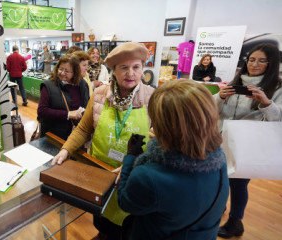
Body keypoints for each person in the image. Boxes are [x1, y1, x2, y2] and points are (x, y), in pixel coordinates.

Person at [52, 42, 154, 239]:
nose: (130, 73)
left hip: (133, 176)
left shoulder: (152, 98)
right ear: (113, 71)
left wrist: (134, 165)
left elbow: (160, 143)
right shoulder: (99, 95)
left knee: (128, 226)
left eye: (136, 67)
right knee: (101, 218)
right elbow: (83, 128)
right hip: (99, 171)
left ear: (143, 68)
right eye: (123, 67)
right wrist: (66, 150)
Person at [118, 80, 229, 239]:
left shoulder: (148, 177)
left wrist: (130, 157)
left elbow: (126, 202)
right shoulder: (220, 160)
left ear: (163, 125)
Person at [216, 43, 282, 238]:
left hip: (248, 144)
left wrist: (267, 103)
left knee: (238, 183)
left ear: (271, 64)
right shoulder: (236, 81)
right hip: (222, 139)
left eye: (262, 61)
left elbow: (277, 120)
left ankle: (235, 222)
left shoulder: (276, 87)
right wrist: (220, 96)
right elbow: (212, 107)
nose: (255, 64)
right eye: (252, 59)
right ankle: (216, 208)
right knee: (219, 179)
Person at [37, 54, 90, 140]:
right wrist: (68, 114)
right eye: (60, 69)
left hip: (76, 136)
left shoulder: (82, 84)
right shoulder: (49, 85)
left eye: (67, 71)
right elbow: (42, 111)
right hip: (54, 136)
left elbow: (86, 105)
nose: (62, 73)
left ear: (75, 73)